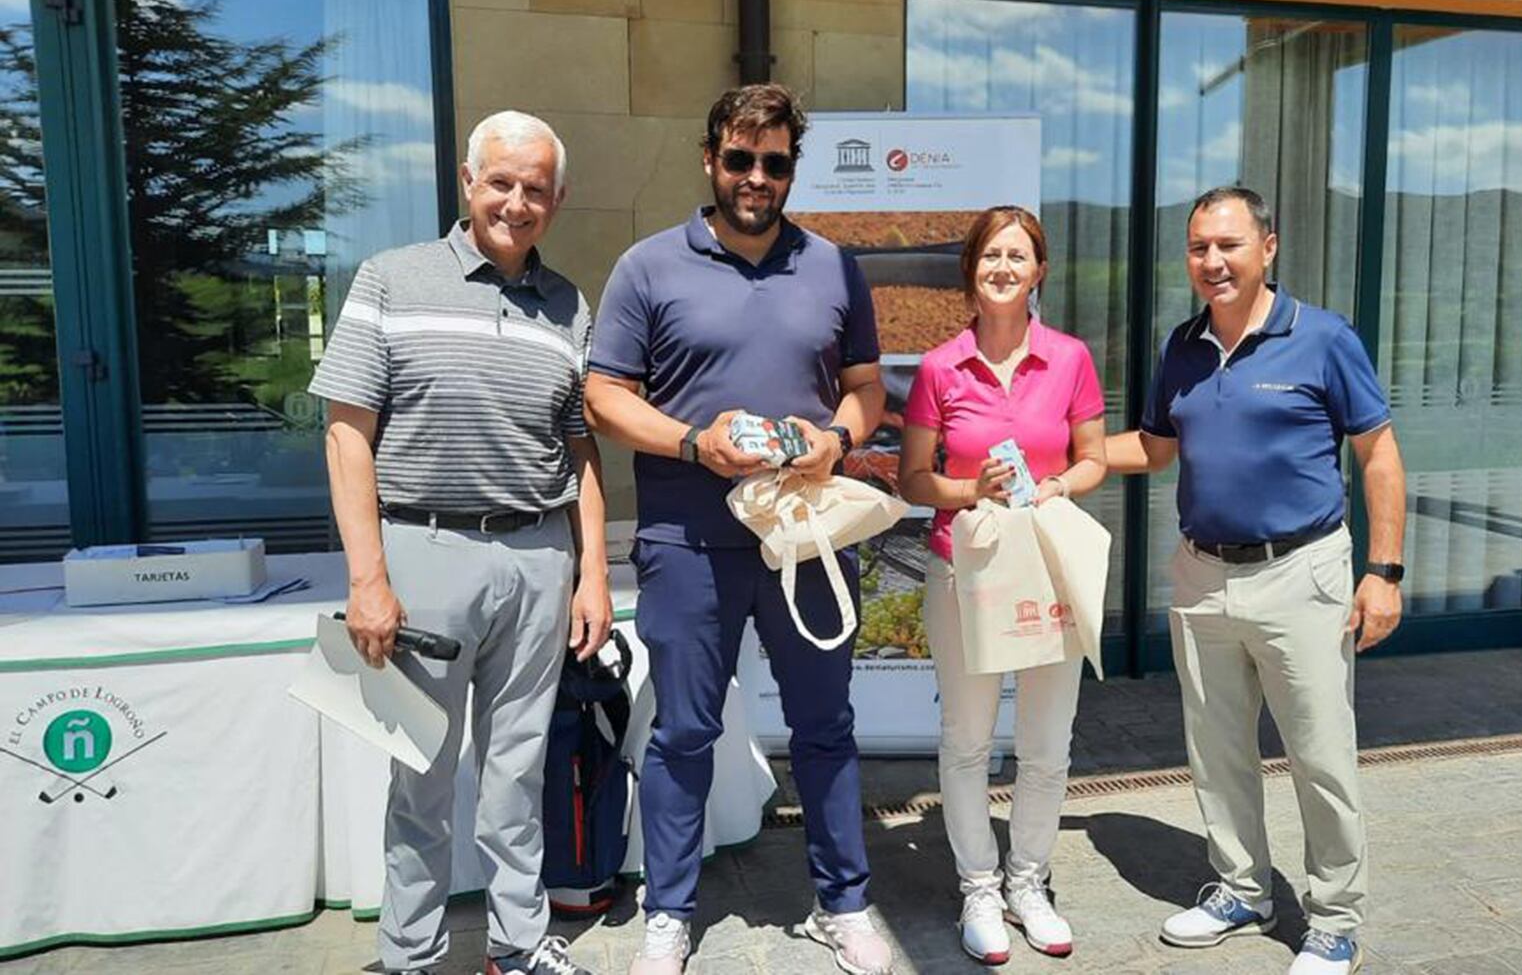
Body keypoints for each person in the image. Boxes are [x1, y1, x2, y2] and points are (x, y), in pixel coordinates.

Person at [583, 83, 893, 975]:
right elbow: (604, 395)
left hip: (803, 538)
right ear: (710, 157)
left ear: (793, 168)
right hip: (687, 539)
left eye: (776, 162)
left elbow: (867, 389)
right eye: (740, 158)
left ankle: (845, 901)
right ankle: (669, 913)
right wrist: (693, 440)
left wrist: (834, 439)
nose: (757, 177)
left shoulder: (834, 266)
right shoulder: (647, 266)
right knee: (683, 732)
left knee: (825, 727)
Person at [310, 110, 612, 975]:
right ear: (467, 183)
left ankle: (516, 947)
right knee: (422, 779)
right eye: (502, 182)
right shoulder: (390, 280)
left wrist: (593, 571)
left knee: (517, 772)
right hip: (423, 553)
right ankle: (410, 956)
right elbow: (345, 433)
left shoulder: (567, 304)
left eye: (537, 189)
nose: (517, 202)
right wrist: (368, 576)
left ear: (557, 200)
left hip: (537, 558)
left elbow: (579, 446)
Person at [1106, 187, 1406, 975]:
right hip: (1202, 573)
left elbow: (1378, 454)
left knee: (1321, 755)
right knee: (1217, 749)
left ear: (1267, 247)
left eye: (1229, 245)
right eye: (1200, 247)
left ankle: (1335, 918)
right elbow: (1153, 447)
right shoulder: (1183, 345)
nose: (1213, 261)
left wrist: (1384, 572)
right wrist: (1051, 459)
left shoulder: (1324, 338)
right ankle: (1243, 887)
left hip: (1302, 572)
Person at [895, 206, 1106, 965]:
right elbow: (914, 478)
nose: (1004, 268)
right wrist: (968, 487)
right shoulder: (939, 367)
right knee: (969, 739)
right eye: (991, 256)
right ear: (972, 270)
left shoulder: (1071, 358)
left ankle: (1029, 881)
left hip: (1048, 564)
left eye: (1018, 256)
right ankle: (978, 884)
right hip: (967, 569)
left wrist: (1057, 488)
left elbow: (1093, 459)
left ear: (1039, 270)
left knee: (1048, 743)